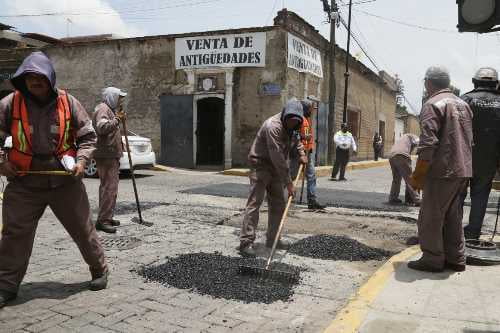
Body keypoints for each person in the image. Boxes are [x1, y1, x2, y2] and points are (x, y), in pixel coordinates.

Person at [0, 51, 108, 307]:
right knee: (15, 234)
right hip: (24, 180)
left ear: (50, 78)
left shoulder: (68, 102)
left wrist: (82, 161)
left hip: (65, 180)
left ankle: (99, 269)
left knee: (83, 229)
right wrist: (2, 163)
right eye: (30, 78)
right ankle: (5, 286)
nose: (35, 82)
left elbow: (88, 136)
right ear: (22, 80)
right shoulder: (8, 104)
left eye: (40, 78)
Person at [408, 66, 473, 273]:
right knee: (453, 216)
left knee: (430, 216)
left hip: (442, 171)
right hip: (463, 170)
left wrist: (418, 175)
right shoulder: (464, 104)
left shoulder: (432, 104)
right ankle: (456, 258)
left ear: (428, 83)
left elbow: (428, 144)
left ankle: (432, 259)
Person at [239, 98, 307, 257]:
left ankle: (273, 238)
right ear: (284, 116)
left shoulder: (293, 125)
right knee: (255, 203)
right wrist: (289, 183)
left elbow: (296, 139)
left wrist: (302, 153)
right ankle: (246, 242)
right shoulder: (273, 126)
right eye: (290, 122)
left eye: (295, 123)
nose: (292, 125)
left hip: (276, 170)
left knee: (278, 204)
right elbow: (277, 157)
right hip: (261, 165)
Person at [461, 67, 500, 239]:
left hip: (463, 157)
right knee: (481, 194)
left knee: (457, 194)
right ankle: (473, 232)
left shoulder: (465, 100)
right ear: (496, 83)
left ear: (474, 82)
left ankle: (453, 232)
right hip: (489, 159)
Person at [93, 87, 127, 234]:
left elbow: (112, 131)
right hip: (106, 155)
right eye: (119, 97)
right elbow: (102, 128)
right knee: (109, 188)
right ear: (111, 97)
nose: (120, 100)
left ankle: (107, 216)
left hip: (110, 154)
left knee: (109, 188)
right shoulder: (103, 109)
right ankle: (103, 221)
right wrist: (117, 119)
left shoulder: (110, 110)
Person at [289, 98, 326, 210]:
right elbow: (294, 135)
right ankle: (285, 197)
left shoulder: (307, 120)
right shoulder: (299, 119)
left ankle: (312, 200)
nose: (312, 111)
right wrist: (303, 138)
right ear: (306, 109)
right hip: (298, 153)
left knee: (311, 176)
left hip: (307, 153)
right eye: (311, 109)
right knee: (291, 176)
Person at [388, 133, 420, 206]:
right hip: (402, 155)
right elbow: (417, 144)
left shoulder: (403, 137)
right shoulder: (415, 137)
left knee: (396, 179)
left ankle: (393, 198)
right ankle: (417, 200)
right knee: (409, 179)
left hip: (392, 155)